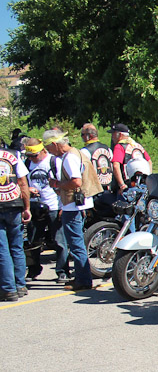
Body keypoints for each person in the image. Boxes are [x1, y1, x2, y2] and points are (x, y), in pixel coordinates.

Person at [44, 129, 94, 292]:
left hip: (73, 206)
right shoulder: (74, 153)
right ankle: (82, 277)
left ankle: (83, 279)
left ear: (54, 144)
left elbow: (76, 182)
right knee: (76, 242)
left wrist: (57, 185)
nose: (48, 152)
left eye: (48, 147)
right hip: (77, 204)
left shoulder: (69, 158)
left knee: (76, 243)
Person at [22, 138, 69, 283]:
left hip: (54, 205)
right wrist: (28, 190)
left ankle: (62, 271)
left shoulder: (54, 161)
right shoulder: (28, 163)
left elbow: (64, 185)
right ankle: (33, 269)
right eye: (29, 156)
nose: (32, 159)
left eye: (34, 155)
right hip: (36, 206)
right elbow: (23, 183)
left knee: (59, 240)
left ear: (43, 150)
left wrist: (63, 206)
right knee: (33, 240)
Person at [0, 136, 31, 301]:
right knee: (17, 247)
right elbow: (23, 183)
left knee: (2, 250)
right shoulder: (14, 155)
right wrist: (26, 207)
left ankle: (8, 288)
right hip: (14, 204)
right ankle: (20, 285)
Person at [108, 123, 151, 193]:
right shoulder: (137, 145)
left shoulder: (119, 146)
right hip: (141, 184)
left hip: (127, 187)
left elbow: (115, 165)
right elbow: (149, 161)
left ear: (120, 135)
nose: (112, 137)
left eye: (114, 134)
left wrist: (121, 185)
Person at [80, 123, 114, 191]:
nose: (82, 137)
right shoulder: (108, 149)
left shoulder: (85, 151)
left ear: (89, 136)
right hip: (108, 187)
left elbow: (81, 170)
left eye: (82, 134)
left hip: (93, 189)